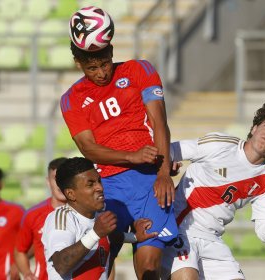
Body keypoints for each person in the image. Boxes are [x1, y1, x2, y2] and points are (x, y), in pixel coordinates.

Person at [60, 7, 178, 279]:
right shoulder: (72, 98)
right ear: (78, 63)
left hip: (150, 182)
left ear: (111, 51)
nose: (101, 72)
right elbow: (88, 148)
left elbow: (160, 123)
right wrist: (132, 156)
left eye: (104, 64)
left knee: (150, 267)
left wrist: (162, 175)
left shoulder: (140, 70)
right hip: (107, 186)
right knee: (101, 258)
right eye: (92, 68)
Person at [161, 99, 265, 280]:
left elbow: (263, 233)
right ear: (254, 128)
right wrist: (166, 168)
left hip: (212, 239)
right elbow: (170, 150)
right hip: (180, 229)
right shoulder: (220, 144)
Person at [41, 157, 158, 279]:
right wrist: (95, 233)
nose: (100, 188)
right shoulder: (62, 218)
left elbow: (109, 236)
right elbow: (60, 264)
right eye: (90, 184)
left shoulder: (99, 214)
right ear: (71, 194)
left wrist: (134, 237)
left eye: (99, 181)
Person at [15, 157, 68, 280]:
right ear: (48, 181)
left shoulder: (85, 213)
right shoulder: (33, 214)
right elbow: (20, 251)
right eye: (55, 179)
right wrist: (27, 273)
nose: (60, 183)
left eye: (64, 178)